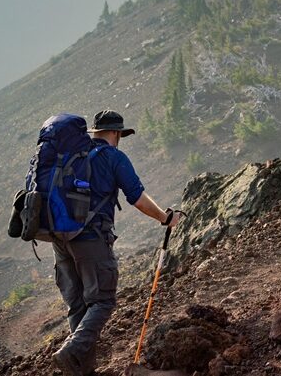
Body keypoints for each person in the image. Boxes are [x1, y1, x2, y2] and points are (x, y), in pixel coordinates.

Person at [51, 110, 183, 376]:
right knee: (102, 301)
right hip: (90, 238)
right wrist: (165, 218)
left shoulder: (71, 156)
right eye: (120, 134)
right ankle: (72, 351)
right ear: (115, 133)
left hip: (59, 238)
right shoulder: (113, 157)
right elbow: (137, 197)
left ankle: (81, 371)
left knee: (78, 305)